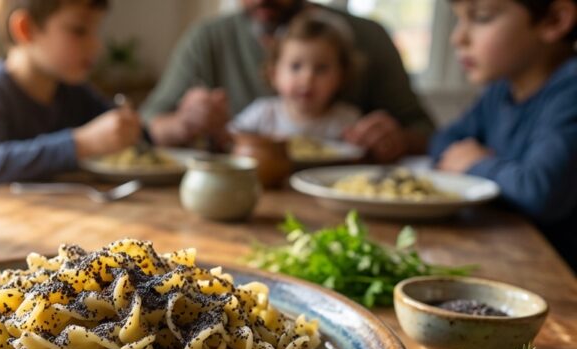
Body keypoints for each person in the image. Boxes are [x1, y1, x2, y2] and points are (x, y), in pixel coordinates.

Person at [142, 0, 434, 162]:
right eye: (295, 66)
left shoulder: (370, 37)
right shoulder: (207, 39)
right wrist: (182, 123)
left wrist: (397, 139)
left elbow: (427, 134)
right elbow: (147, 125)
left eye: (321, 68)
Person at [0, 0, 141, 201]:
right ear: (25, 29)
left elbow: (130, 135)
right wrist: (81, 144)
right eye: (79, 30)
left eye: (96, 30)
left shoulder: (73, 91)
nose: (96, 45)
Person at [431, 0, 577, 270]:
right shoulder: (501, 90)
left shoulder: (570, 91)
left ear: (554, 20)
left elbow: (540, 191)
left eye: (482, 17)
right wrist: (499, 169)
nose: (457, 37)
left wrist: (476, 164)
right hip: (511, 254)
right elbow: (442, 143)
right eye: (458, 19)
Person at [229, 12, 360, 140]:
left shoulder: (347, 121)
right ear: (274, 75)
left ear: (341, 76)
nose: (308, 78)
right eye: (296, 66)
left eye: (321, 68)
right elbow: (229, 139)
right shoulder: (263, 113)